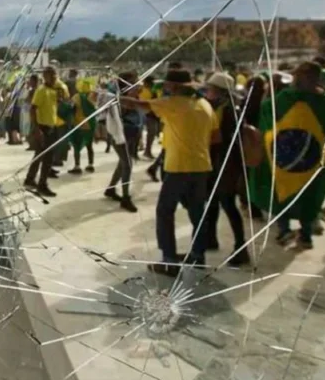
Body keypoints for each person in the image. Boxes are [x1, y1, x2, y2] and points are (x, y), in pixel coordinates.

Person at [125, 69, 217, 275]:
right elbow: (215, 136)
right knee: (197, 212)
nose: (164, 88)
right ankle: (197, 255)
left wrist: (109, 97)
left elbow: (136, 105)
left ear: (175, 87)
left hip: (178, 167)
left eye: (167, 85)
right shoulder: (205, 105)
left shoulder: (173, 103)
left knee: (165, 212)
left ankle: (169, 261)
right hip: (202, 166)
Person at [250, 62, 325, 248]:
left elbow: (266, 116)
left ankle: (287, 231)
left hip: (285, 159)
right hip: (310, 161)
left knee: (282, 193)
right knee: (307, 194)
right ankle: (303, 235)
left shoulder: (284, 99)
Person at [202, 72, 250, 266]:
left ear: (220, 92)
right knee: (213, 202)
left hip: (226, 165)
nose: (207, 92)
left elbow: (227, 141)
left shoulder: (229, 111)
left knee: (228, 204)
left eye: (211, 89)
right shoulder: (223, 107)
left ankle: (241, 248)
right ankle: (211, 239)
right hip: (218, 163)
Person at [99, 72, 139, 213]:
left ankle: (110, 189)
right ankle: (126, 198)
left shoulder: (133, 96)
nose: (137, 83)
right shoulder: (116, 98)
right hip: (120, 135)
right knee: (127, 164)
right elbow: (111, 117)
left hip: (131, 133)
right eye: (134, 81)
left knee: (123, 163)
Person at [24, 66, 63, 198]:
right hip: (43, 127)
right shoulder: (41, 91)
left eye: (55, 76)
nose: (53, 78)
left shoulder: (53, 91)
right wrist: (36, 129)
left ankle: (30, 179)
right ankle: (42, 185)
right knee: (47, 158)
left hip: (51, 126)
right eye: (51, 76)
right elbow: (32, 109)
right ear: (45, 76)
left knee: (40, 155)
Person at [68, 77, 97, 174]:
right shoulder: (92, 96)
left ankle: (77, 166)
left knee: (76, 145)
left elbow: (72, 109)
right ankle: (91, 164)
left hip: (79, 123)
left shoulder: (77, 97)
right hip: (91, 123)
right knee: (89, 145)